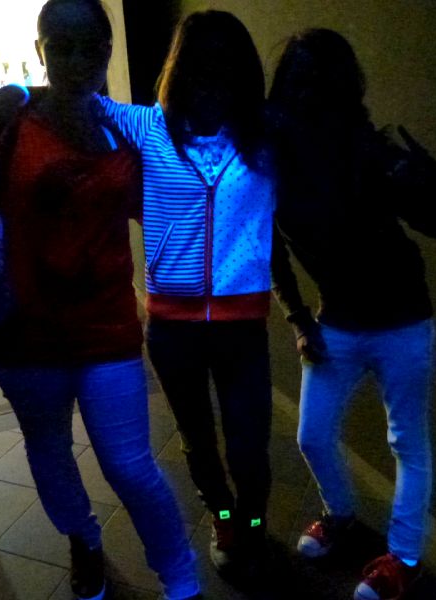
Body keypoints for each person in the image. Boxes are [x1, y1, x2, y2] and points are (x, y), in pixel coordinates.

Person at [0, 1, 201, 599]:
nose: (75, 62)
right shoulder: (6, 119)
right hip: (23, 330)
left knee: (131, 466)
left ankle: (181, 581)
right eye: (59, 47)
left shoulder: (129, 128)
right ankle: (84, 542)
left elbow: (163, 211)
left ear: (107, 51)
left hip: (106, 327)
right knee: (49, 449)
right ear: (39, 50)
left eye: (90, 48)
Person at [268, 29, 436, 600]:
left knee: (407, 442)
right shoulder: (278, 160)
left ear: (343, 90)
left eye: (319, 83)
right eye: (298, 82)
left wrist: (428, 180)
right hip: (339, 321)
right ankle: (342, 515)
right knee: (312, 434)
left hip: (403, 319)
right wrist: (298, 319)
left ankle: (404, 557)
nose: (308, 95)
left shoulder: (369, 149)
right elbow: (270, 249)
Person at [98, 9, 275, 579]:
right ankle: (223, 519)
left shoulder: (265, 135)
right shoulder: (150, 127)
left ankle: (253, 523)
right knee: (199, 441)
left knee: (249, 444)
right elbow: (81, 102)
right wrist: (14, 94)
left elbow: (327, 132)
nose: (213, 80)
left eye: (226, 66)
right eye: (201, 65)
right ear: (181, 69)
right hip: (173, 329)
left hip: (242, 326)